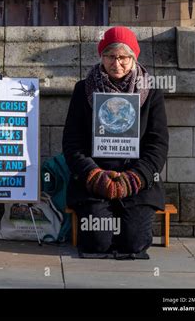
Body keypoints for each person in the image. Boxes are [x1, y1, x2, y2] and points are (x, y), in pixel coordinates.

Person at [62, 26, 168, 258]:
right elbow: (72, 142)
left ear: (133, 58)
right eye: (110, 56)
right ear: (101, 57)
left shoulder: (152, 92)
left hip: (136, 182)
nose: (117, 63)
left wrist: (135, 177)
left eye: (123, 57)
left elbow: (157, 145)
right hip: (94, 181)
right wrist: (94, 174)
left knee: (134, 243)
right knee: (96, 242)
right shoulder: (83, 90)